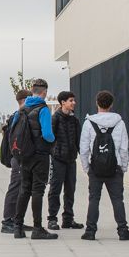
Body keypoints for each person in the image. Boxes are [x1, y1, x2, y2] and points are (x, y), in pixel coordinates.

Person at [79, 90, 129, 240]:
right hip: (115, 168)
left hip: (95, 168)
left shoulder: (89, 123)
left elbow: (84, 149)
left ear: (97, 103)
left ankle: (90, 231)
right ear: (111, 104)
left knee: (94, 199)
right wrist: (124, 166)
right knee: (117, 199)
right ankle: (123, 231)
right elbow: (124, 148)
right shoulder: (120, 123)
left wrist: (86, 167)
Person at [12, 79, 57, 239]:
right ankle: (37, 228)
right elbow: (47, 134)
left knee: (24, 189)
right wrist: (54, 141)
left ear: (32, 91)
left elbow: (13, 131)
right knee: (38, 190)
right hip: (40, 155)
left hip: (24, 156)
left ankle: (17, 227)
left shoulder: (22, 109)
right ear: (44, 92)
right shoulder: (43, 109)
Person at [46, 91, 82, 230]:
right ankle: (52, 219)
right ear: (63, 103)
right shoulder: (55, 118)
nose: (74, 103)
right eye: (71, 100)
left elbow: (78, 142)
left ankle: (68, 219)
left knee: (70, 190)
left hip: (71, 160)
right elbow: (49, 139)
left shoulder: (75, 120)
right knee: (55, 189)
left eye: (74, 100)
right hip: (58, 160)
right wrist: (54, 152)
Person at [0, 89, 29, 232]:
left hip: (18, 157)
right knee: (15, 187)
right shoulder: (18, 116)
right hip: (17, 157)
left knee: (21, 189)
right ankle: (7, 221)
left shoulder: (18, 116)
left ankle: (17, 220)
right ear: (24, 100)